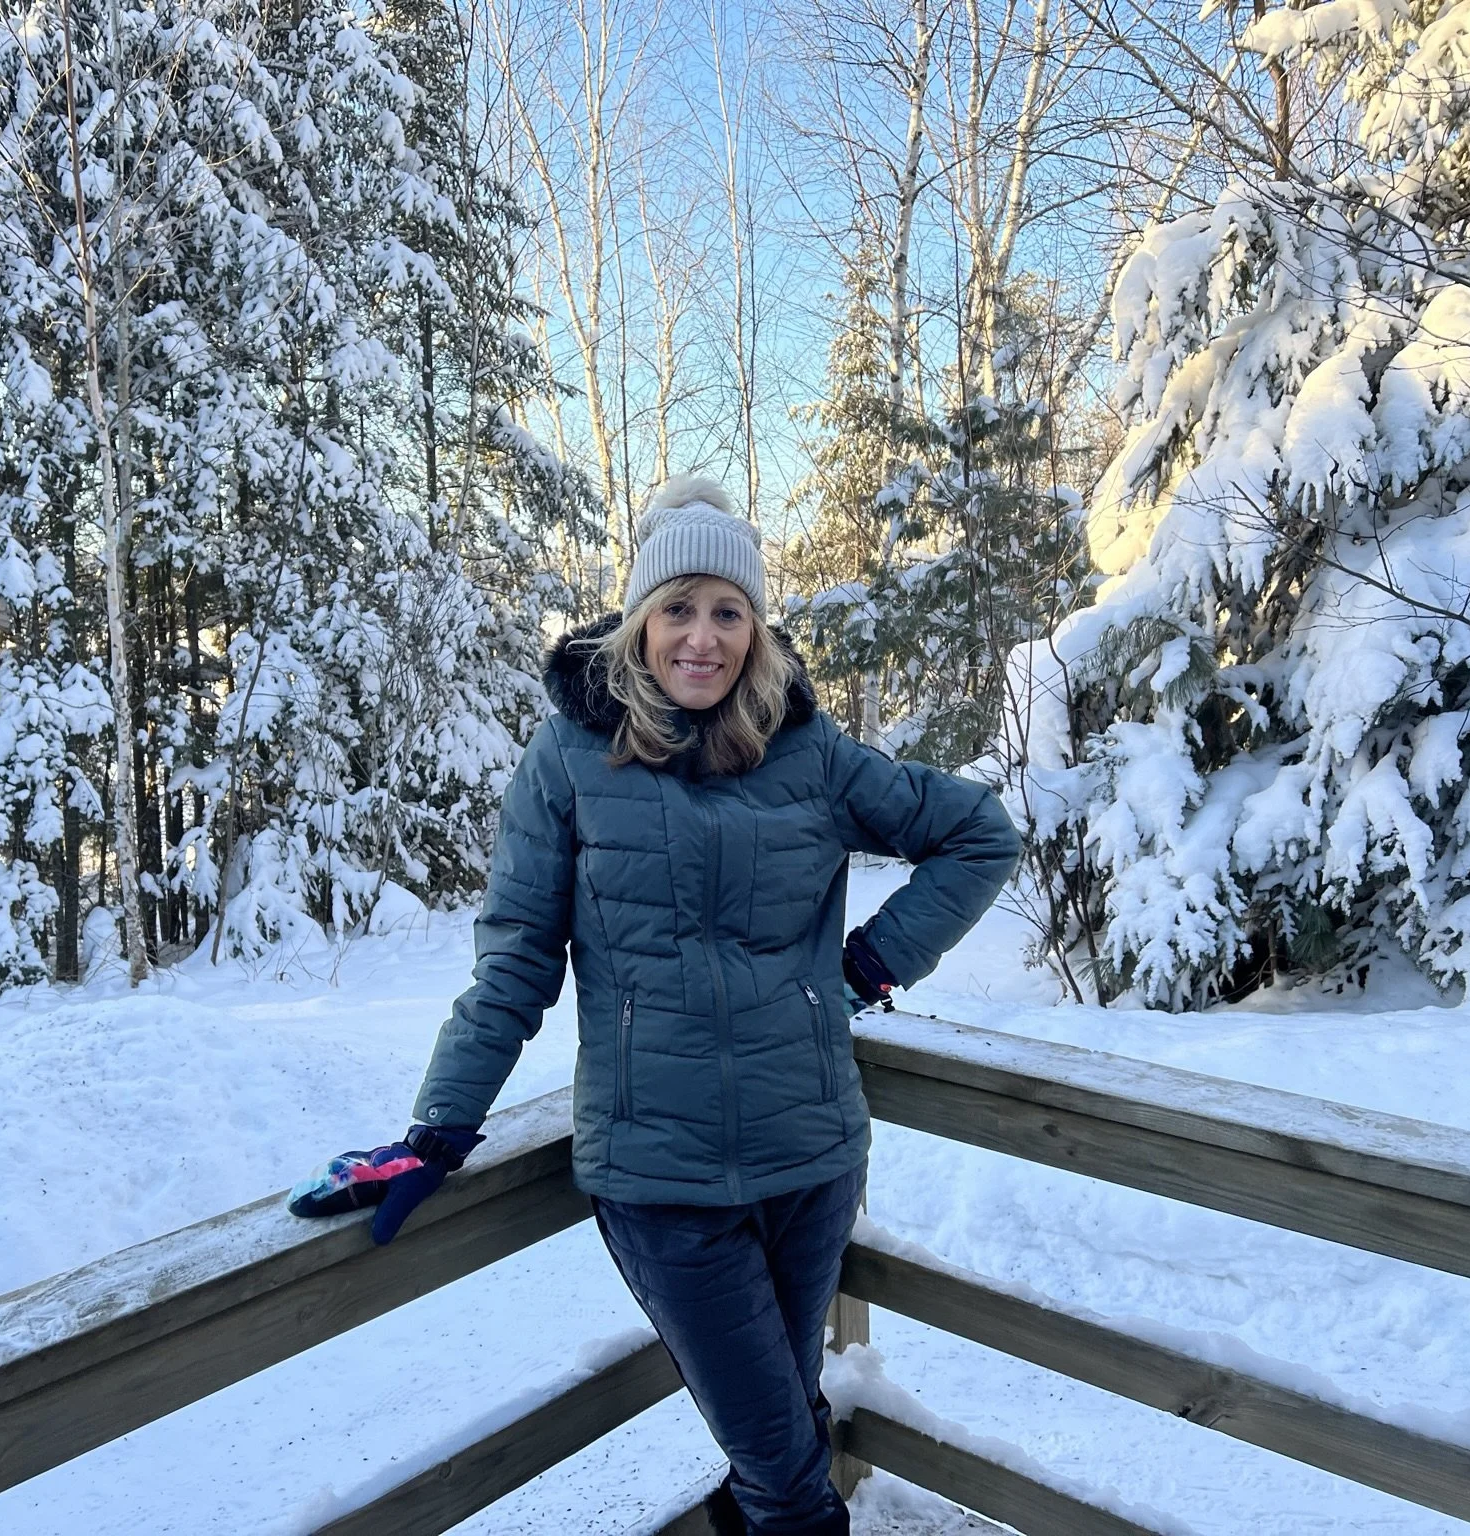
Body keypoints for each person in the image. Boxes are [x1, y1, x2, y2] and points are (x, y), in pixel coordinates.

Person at [289, 475, 1020, 1536]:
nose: (701, 637)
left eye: (728, 611)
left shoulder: (808, 753)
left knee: (784, 1421)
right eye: (677, 607)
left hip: (809, 1157)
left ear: (756, 630)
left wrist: (864, 967)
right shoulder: (568, 762)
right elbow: (514, 963)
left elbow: (978, 835)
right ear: (637, 622)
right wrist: (437, 1128)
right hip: (659, 1179)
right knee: (782, 1467)